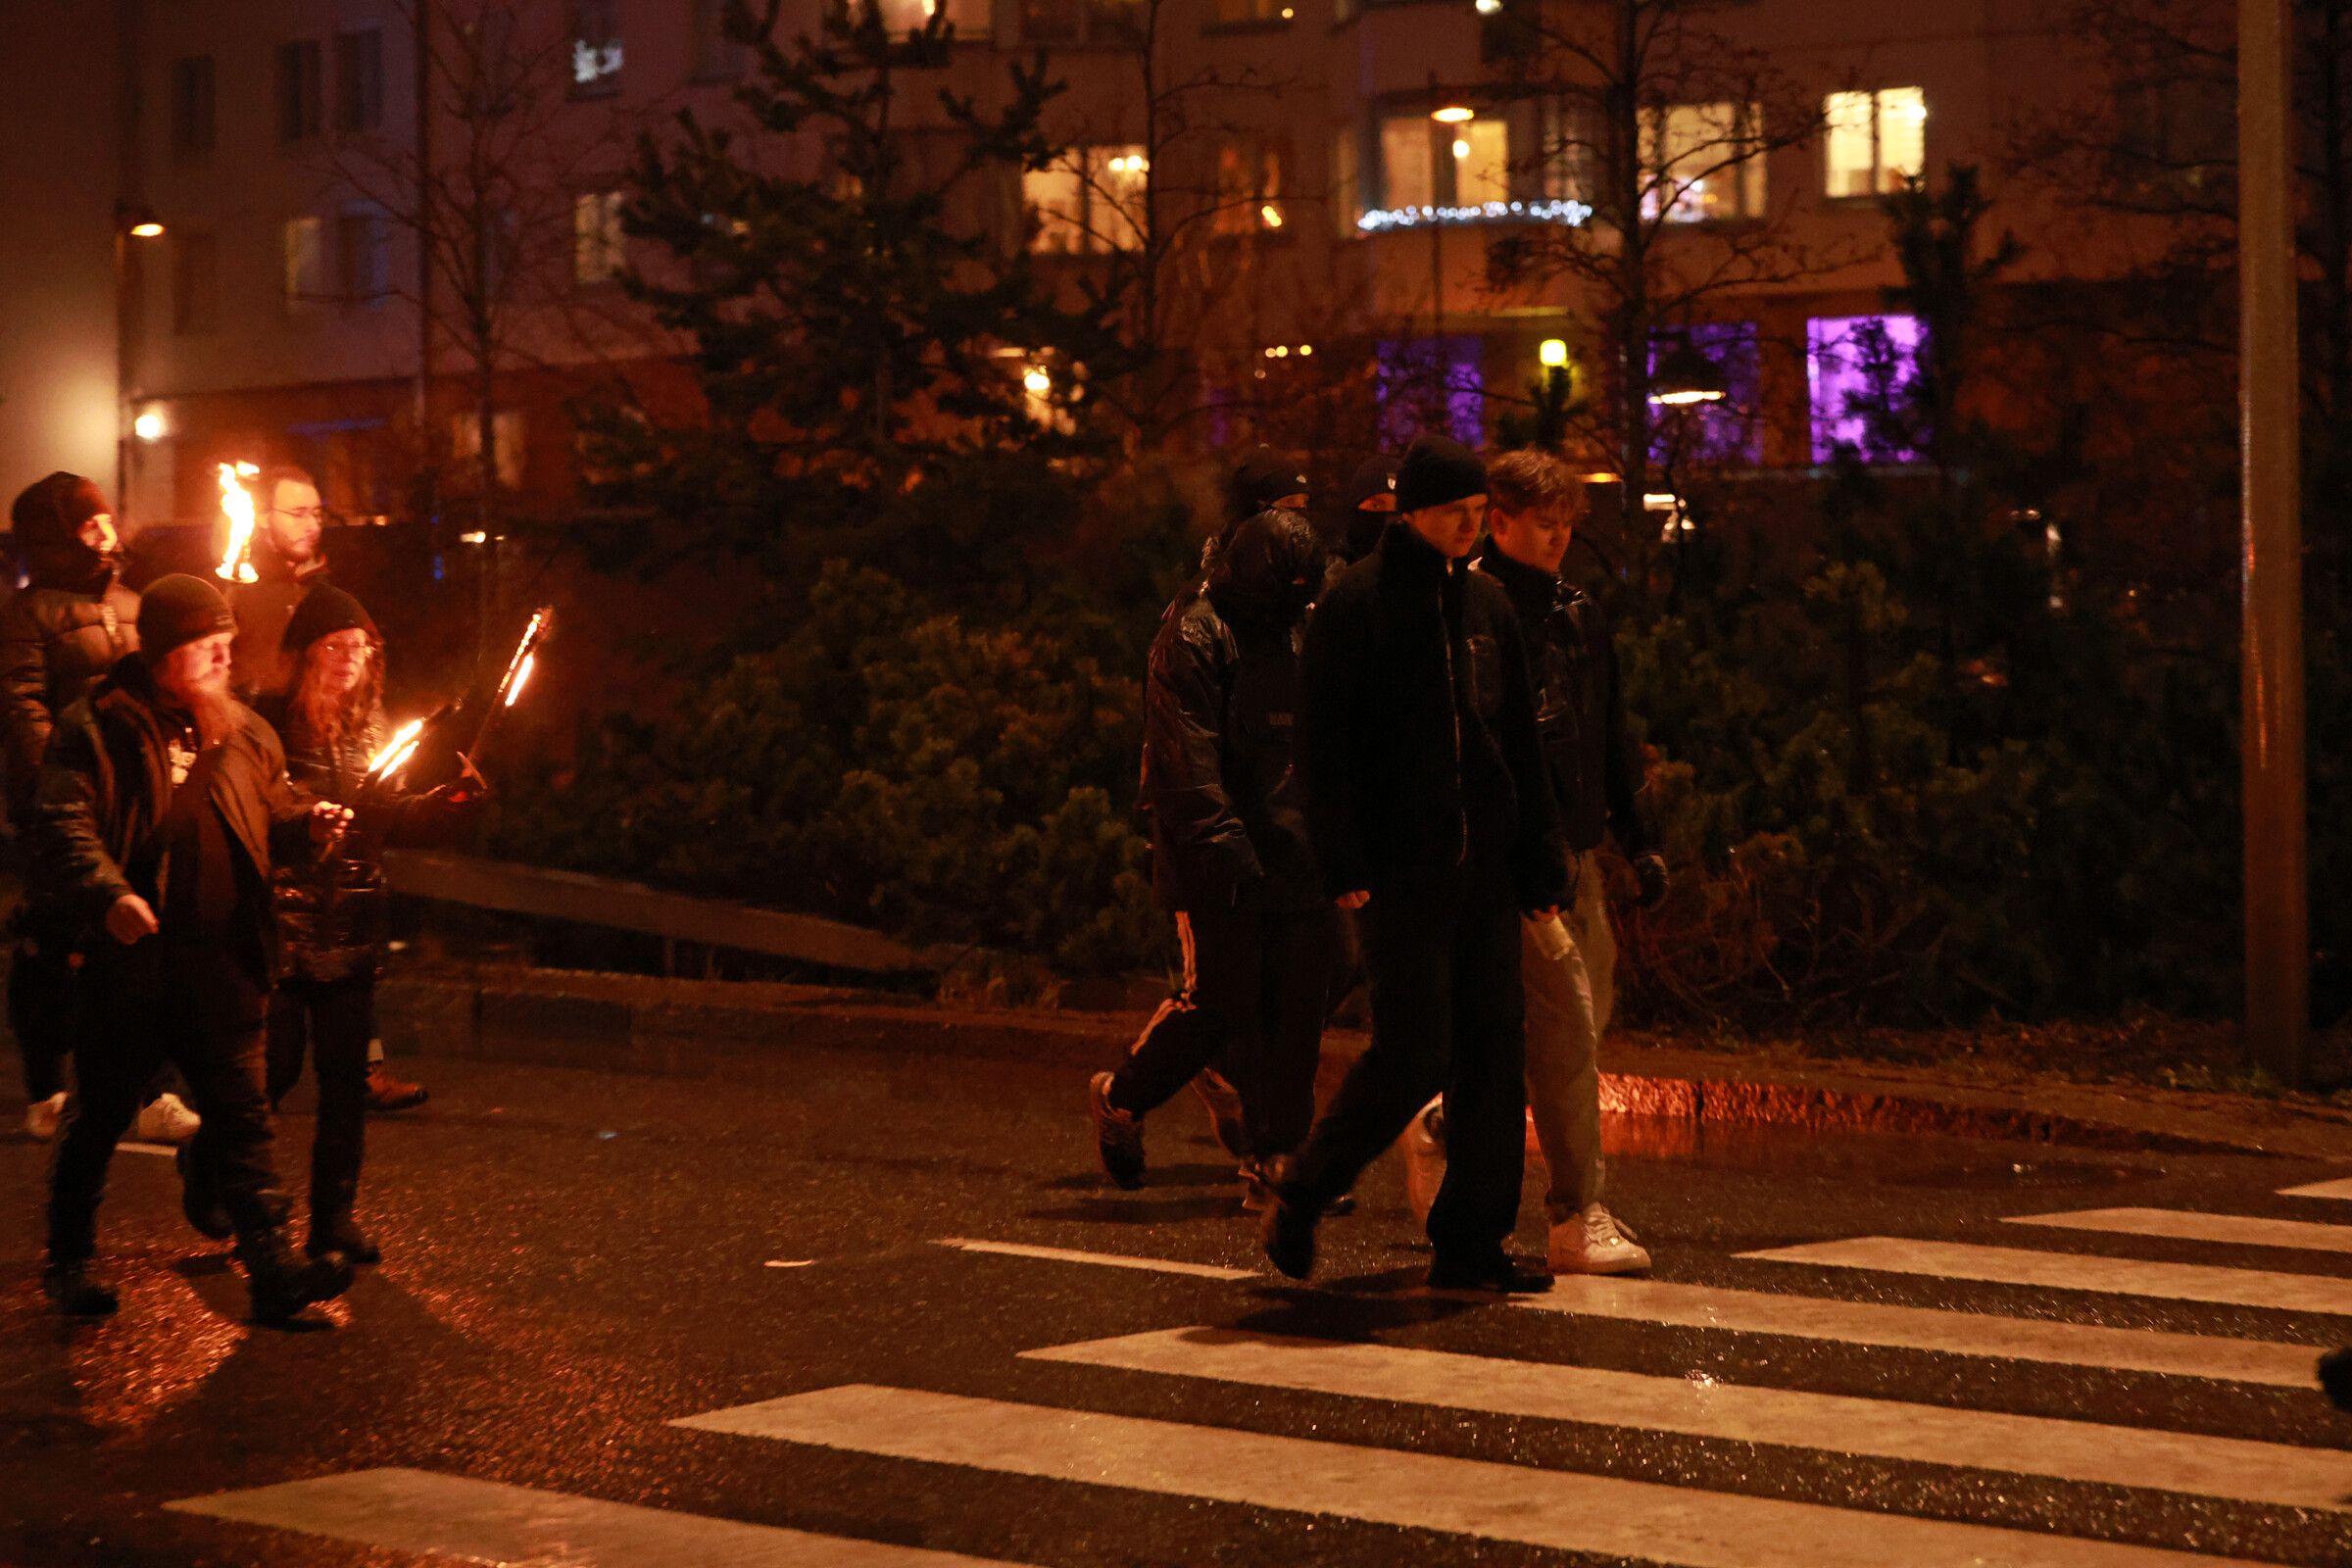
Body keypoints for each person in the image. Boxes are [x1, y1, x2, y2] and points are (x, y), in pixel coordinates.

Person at [1260, 435, 1570, 1293]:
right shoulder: (1357, 604)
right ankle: (1306, 1186)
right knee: (1415, 1052)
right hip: (1402, 872)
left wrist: (1538, 861)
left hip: (1485, 869)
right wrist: (1340, 857)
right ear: (1414, 514)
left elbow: (1518, 742)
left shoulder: (1486, 606)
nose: (1469, 529)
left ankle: (1472, 1240)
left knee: (1493, 1055)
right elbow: (1323, 744)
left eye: (1477, 514)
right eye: (1454, 514)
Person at [34, 574, 356, 1321]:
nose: (222, 658)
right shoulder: (97, 727)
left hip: (223, 960)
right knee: (101, 1113)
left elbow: (272, 812)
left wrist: (308, 825)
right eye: (206, 645)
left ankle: (272, 1266)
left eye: (226, 644)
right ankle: (69, 1259)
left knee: (244, 1116)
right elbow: (62, 824)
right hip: (133, 962)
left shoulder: (246, 731)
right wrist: (110, 896)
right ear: (163, 653)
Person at [1395, 450, 1670, 1275]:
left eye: (1565, 525)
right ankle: (1574, 1211)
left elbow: (1609, 728)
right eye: (1542, 523)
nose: (1557, 538)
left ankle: (1447, 1124)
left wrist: (1639, 833)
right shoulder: (1474, 612)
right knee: (1565, 1036)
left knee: (1577, 1027)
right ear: (1501, 520)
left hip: (1572, 855)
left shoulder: (1576, 615)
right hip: (1513, 861)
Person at [1088, 510, 1343, 1211]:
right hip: (1219, 858)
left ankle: (1275, 1160)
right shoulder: (1196, 634)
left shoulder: (1300, 623)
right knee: (1222, 1002)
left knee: (1295, 1013)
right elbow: (1187, 762)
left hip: (1295, 848)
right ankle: (1124, 1096)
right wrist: (1229, 852)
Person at [256, 585, 477, 1262]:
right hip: (282, 925)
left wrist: (446, 804)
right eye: (336, 645)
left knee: (346, 1082)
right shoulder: (268, 721)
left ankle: (333, 1218)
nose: (351, 657)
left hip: (351, 925)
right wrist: (307, 819)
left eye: (362, 647)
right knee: (271, 1073)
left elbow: (387, 814)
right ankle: (218, 1176)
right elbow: (261, 806)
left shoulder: (373, 726)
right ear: (307, 653)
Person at [0, 474, 200, 1147]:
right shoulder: (28, 615)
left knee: (144, 941)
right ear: (56, 536)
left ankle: (152, 1092)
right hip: (62, 807)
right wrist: (54, 789)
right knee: (55, 946)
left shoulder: (132, 604)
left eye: (108, 520)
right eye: (90, 525)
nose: (108, 534)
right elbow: (22, 704)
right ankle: (48, 1088)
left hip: (135, 804)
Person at [225, 466, 429, 1117]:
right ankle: (233, 1096)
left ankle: (361, 1068)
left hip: (335, 775)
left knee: (348, 927)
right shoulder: (238, 590)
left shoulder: (326, 592)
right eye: (296, 512)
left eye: (316, 512)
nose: (310, 523)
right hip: (278, 774)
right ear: (261, 518)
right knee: (276, 1015)